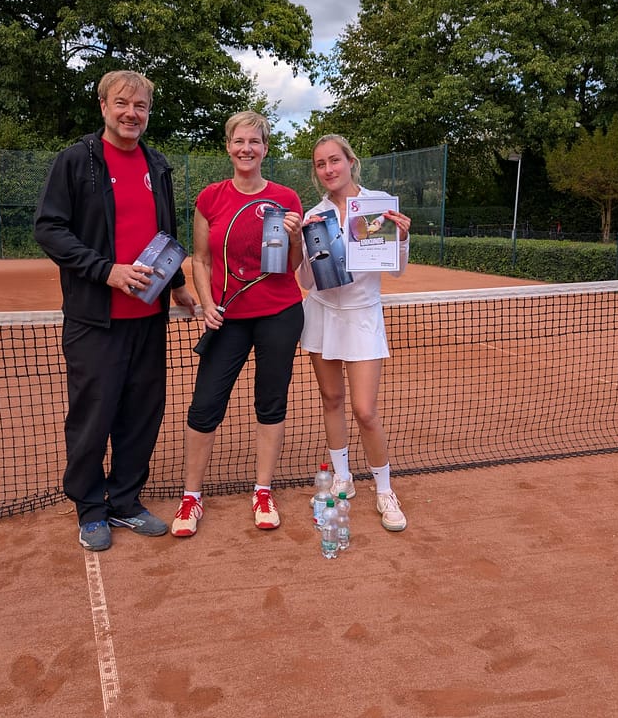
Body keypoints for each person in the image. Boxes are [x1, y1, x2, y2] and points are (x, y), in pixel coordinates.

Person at [34, 70, 196, 551]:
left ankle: (125, 500)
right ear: (103, 106)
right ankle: (90, 508)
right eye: (122, 103)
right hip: (95, 321)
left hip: (149, 319)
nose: (131, 113)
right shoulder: (75, 161)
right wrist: (107, 271)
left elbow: (164, 232)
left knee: (142, 414)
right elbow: (49, 229)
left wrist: (178, 284)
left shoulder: (157, 164)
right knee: (93, 417)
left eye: (140, 106)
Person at [171, 111, 304, 537]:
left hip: (280, 313)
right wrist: (208, 304)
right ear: (228, 146)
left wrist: (296, 236)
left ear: (265, 148)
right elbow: (201, 259)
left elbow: (293, 265)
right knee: (205, 405)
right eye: (239, 141)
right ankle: (191, 496)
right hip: (226, 317)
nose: (247, 148)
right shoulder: (210, 198)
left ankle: (263, 491)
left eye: (255, 141)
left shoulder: (286, 197)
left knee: (271, 402)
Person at [298, 134, 411, 532]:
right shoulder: (314, 214)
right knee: (331, 400)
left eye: (334, 160)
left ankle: (385, 489)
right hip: (322, 314)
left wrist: (403, 238)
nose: (328, 169)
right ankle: (343, 477)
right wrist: (305, 243)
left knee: (365, 411)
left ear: (350, 161)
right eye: (320, 164)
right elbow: (306, 281)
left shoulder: (378, 206)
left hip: (363, 316)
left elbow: (397, 270)